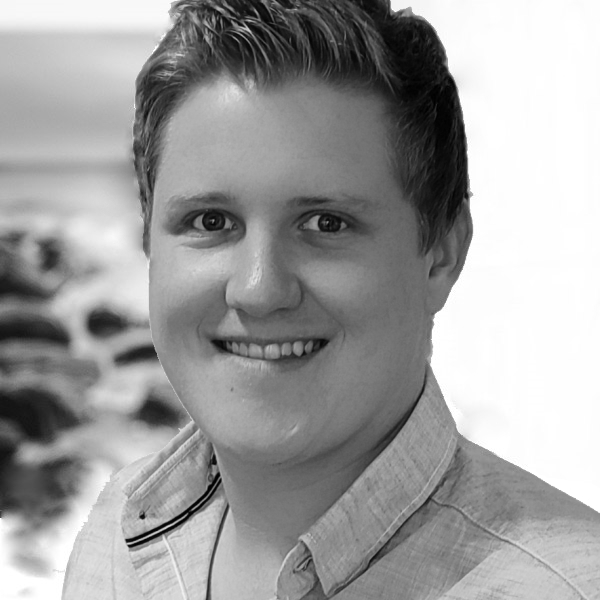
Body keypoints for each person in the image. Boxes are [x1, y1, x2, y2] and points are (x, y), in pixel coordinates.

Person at [62, 1, 600, 598]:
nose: (259, 289)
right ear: (149, 243)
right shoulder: (113, 539)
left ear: (441, 255)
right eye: (211, 221)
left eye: (326, 224)